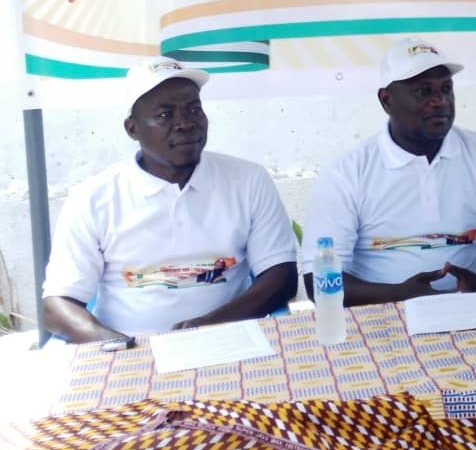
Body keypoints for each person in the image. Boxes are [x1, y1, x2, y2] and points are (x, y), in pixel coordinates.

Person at [42, 57, 299, 344]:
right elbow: (58, 306)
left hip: (229, 339)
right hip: (128, 347)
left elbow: (281, 277)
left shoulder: (248, 180)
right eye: (165, 115)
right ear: (132, 129)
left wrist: (208, 326)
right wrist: (125, 347)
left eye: (194, 109)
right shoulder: (93, 198)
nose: (185, 123)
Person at [301, 37, 476, 305]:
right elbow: (318, 279)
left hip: (472, 306)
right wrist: (400, 295)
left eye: (446, 88)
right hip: (379, 313)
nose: (440, 101)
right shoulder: (347, 173)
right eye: (423, 91)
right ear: (387, 100)